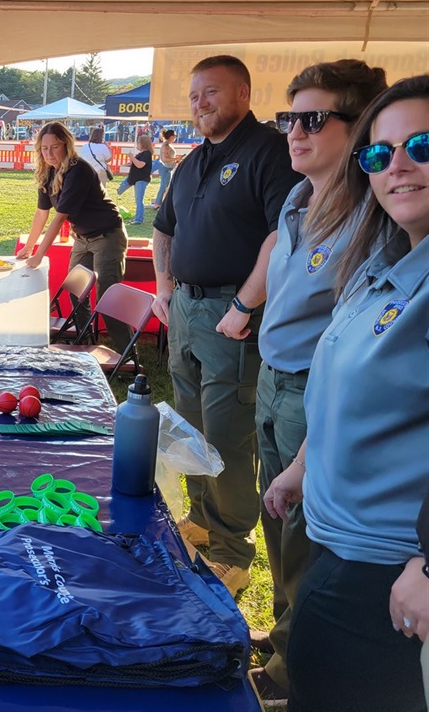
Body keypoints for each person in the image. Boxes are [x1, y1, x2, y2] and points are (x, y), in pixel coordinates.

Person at [263, 74, 429, 712]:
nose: (399, 167)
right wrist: (303, 467)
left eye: (422, 145)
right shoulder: (383, 261)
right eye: (380, 154)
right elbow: (339, 389)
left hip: (389, 570)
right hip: (341, 548)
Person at [247, 60, 389, 703]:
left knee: (306, 533)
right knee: (277, 522)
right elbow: (275, 257)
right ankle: (283, 635)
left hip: (315, 394)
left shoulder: (375, 218)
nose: (295, 133)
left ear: (357, 126)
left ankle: (289, 670)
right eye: (289, 119)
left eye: (312, 119)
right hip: (275, 381)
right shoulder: (298, 199)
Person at [151, 55, 302, 595]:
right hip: (187, 310)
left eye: (210, 92)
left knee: (226, 435)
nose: (199, 104)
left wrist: (244, 304)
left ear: (242, 92)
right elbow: (163, 228)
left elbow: (281, 233)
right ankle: (201, 520)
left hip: (230, 316)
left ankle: (234, 550)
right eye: (193, 96)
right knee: (188, 426)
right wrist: (164, 286)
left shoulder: (267, 152)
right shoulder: (193, 162)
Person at [16, 121, 131, 353]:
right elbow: (41, 213)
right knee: (75, 291)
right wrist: (29, 247)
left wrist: (39, 254)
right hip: (82, 237)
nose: (49, 153)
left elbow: (59, 218)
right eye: (44, 148)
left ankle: (126, 353)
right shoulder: (47, 172)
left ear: (66, 145)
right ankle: (84, 340)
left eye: (54, 147)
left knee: (107, 294)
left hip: (107, 235)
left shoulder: (77, 169)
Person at [117, 135, 153, 223]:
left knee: (139, 200)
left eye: (138, 142)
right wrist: (128, 163)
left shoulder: (147, 154)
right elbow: (135, 163)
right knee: (119, 189)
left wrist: (132, 157)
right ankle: (117, 193)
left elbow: (140, 165)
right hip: (133, 178)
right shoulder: (141, 154)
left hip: (141, 179)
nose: (137, 144)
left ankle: (138, 219)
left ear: (143, 144)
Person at [150, 129, 177, 209]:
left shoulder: (168, 144)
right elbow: (165, 159)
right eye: (175, 135)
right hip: (166, 168)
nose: (175, 137)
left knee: (165, 186)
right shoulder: (166, 145)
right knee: (164, 186)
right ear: (171, 136)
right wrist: (176, 159)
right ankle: (158, 203)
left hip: (167, 167)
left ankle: (159, 202)